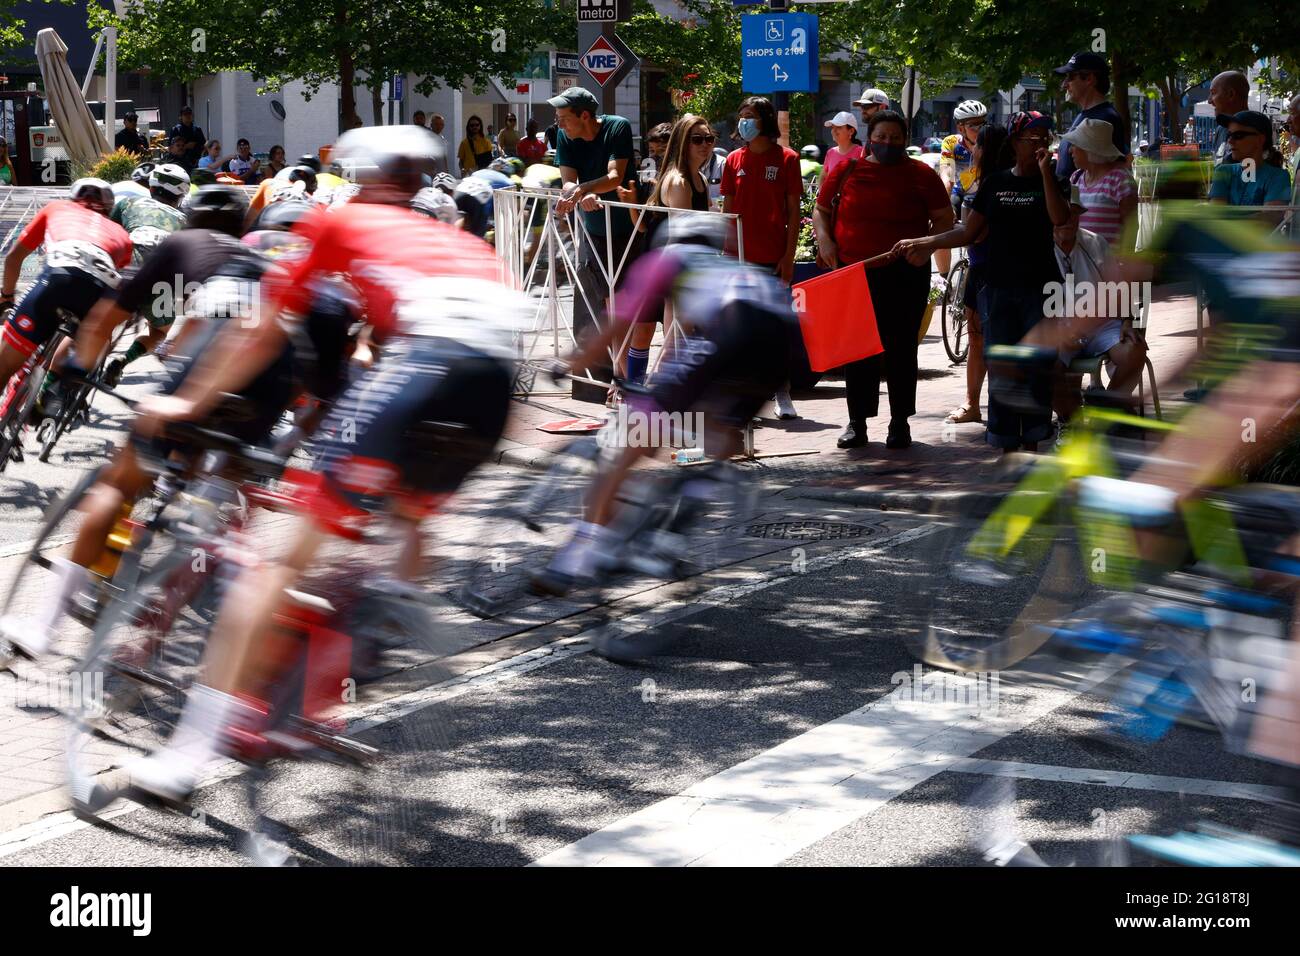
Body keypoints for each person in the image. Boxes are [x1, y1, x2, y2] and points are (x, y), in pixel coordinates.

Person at [121, 126, 524, 801]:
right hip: (492, 387)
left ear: (356, 175)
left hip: (428, 365)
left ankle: (186, 759)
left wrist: (187, 404)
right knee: (399, 515)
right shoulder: (458, 239)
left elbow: (262, 328)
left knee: (281, 563)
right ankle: (381, 607)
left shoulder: (340, 219)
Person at [530, 213, 796, 596]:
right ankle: (673, 534)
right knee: (719, 435)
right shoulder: (731, 269)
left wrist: (570, 363)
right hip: (783, 341)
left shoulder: (667, 260)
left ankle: (574, 560)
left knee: (630, 442)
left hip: (738, 330)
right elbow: (700, 353)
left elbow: (614, 323)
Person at [895, 111, 1070, 454]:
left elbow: (1060, 219)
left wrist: (1047, 173)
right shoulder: (996, 183)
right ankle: (1005, 444)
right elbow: (970, 232)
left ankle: (1034, 439)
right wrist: (927, 242)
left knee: (1037, 364)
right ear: (1014, 143)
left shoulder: (1054, 181)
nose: (1038, 145)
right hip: (999, 285)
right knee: (1001, 362)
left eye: (1043, 139)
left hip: (1041, 286)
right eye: (1030, 139)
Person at [812, 109, 953, 450]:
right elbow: (821, 210)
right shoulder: (848, 170)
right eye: (881, 137)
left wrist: (927, 247)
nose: (888, 143)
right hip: (855, 272)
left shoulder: (921, 174)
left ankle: (899, 423)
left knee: (902, 349)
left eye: (895, 137)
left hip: (906, 274)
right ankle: (856, 422)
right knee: (857, 349)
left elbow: (944, 219)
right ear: (870, 138)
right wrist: (826, 240)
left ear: (905, 139)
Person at [0, 180, 132, 408]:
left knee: (5, 365)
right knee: (87, 335)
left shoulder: (56, 208)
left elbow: (14, 258)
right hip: (101, 290)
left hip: (58, 276)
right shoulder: (122, 233)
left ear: (73, 197)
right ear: (109, 208)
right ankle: (59, 387)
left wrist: (6, 296)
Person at [614, 114, 716, 389]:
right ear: (683, 143)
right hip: (667, 271)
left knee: (679, 342)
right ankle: (639, 396)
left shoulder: (699, 180)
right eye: (697, 139)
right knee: (660, 338)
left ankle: (650, 399)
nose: (705, 145)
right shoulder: (678, 182)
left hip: (682, 270)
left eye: (709, 139)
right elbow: (682, 238)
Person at [550, 86, 636, 403]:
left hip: (630, 228)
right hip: (594, 231)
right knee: (607, 306)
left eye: (564, 118)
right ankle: (621, 379)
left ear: (584, 116)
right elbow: (568, 180)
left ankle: (627, 378)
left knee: (632, 309)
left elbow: (615, 176)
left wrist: (584, 190)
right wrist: (576, 193)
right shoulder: (564, 137)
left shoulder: (617, 127)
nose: (560, 125)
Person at [722, 95, 802, 419]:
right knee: (743, 332)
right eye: (741, 114)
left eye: (751, 115)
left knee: (775, 330)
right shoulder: (732, 160)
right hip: (738, 260)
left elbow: (794, 212)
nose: (744, 120)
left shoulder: (787, 159)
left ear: (764, 120)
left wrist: (788, 255)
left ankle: (782, 393)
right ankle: (749, 397)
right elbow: (726, 211)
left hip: (773, 258)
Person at [945, 122, 1011, 426]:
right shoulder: (986, 181)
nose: (974, 151)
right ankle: (973, 402)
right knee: (976, 337)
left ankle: (992, 405)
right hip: (983, 269)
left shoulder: (994, 184)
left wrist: (926, 241)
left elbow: (974, 233)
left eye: (979, 146)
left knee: (983, 338)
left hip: (991, 273)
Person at [1053, 52, 1128, 181]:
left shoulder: (1104, 118)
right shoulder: (1086, 115)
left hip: (1083, 200)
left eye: (1070, 77)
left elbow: (1110, 171)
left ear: (1089, 79)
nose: (1064, 84)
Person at [1208, 110, 1290, 224]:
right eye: (1229, 135)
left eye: (1238, 135)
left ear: (1260, 139)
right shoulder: (1222, 171)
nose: (1230, 141)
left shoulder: (1279, 177)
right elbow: (1215, 218)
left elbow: (1268, 222)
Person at [1207, 70, 1250, 165]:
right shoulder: (1221, 129)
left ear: (1231, 94)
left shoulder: (1253, 129)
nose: (1209, 101)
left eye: (1213, 93)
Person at [822, 111, 864, 180]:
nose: (833, 131)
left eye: (838, 127)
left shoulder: (862, 152)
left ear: (851, 131)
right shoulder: (830, 152)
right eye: (832, 127)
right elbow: (823, 178)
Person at [167, 105, 206, 171]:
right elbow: (170, 147)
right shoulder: (176, 129)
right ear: (181, 117)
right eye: (185, 114)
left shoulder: (197, 129)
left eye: (190, 114)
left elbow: (204, 145)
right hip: (179, 161)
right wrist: (185, 146)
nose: (188, 116)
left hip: (195, 160)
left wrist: (195, 145)